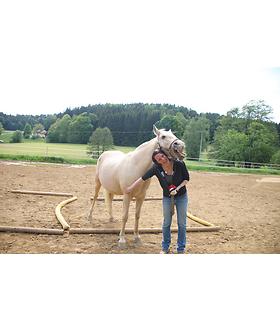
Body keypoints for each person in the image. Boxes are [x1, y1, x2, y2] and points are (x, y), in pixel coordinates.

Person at [125, 148, 190, 254]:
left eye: (162, 156)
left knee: (182, 223)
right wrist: (130, 188)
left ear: (165, 155)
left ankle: (181, 248)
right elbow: (143, 178)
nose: (162, 159)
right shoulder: (156, 168)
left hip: (181, 196)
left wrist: (177, 189)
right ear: (157, 162)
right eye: (159, 159)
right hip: (167, 198)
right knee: (166, 223)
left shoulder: (179, 164)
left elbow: (186, 178)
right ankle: (165, 247)